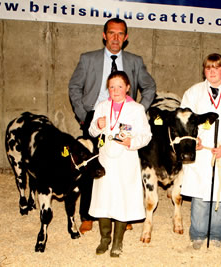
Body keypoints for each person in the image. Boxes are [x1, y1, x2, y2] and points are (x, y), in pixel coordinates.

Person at [68, 18, 156, 233]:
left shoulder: (135, 61)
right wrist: (84, 117)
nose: (115, 38)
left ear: (126, 37)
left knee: (122, 169)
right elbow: (74, 87)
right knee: (92, 166)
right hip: (96, 119)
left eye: (120, 34)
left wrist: (137, 111)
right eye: (111, 33)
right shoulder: (88, 59)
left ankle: (122, 215)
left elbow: (150, 87)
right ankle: (88, 215)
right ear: (104, 35)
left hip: (124, 120)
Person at [180, 53, 221, 249]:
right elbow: (184, 120)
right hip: (201, 151)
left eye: (216, 68)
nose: (212, 72)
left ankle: (216, 234)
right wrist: (193, 141)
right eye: (208, 68)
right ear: (204, 70)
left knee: (220, 193)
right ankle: (198, 234)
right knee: (200, 194)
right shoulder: (193, 93)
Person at [88, 71, 152, 257]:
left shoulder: (136, 109)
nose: (115, 90)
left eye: (119, 86)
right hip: (105, 159)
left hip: (126, 159)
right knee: (104, 199)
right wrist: (97, 125)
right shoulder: (101, 106)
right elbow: (92, 132)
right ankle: (104, 239)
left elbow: (146, 135)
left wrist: (132, 143)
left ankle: (118, 242)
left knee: (122, 199)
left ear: (128, 87)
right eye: (111, 87)